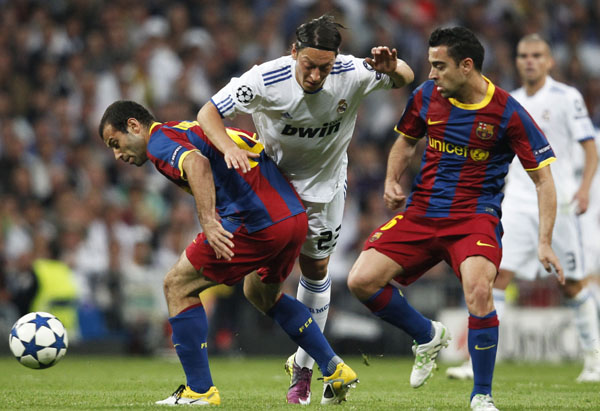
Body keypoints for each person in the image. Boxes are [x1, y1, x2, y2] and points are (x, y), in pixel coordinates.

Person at [196, 14, 414, 405]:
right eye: (309, 65)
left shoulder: (352, 72)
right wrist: (227, 147)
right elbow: (207, 113)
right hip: (273, 189)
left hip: (325, 192)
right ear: (293, 52)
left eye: (324, 68)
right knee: (259, 288)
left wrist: (392, 68)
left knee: (315, 271)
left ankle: (304, 371)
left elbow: (406, 77)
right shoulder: (265, 79)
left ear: (337, 60)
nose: (315, 75)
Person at [346, 27, 564, 411]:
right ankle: (427, 335)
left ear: (467, 66)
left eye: (438, 66)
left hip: (473, 218)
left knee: (480, 292)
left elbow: (543, 180)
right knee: (361, 280)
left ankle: (481, 395)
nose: (431, 74)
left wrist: (545, 240)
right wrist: (391, 181)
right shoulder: (427, 96)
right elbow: (405, 141)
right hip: (422, 211)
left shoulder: (507, 112)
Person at [98, 100, 358, 406]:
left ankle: (199, 390)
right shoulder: (188, 130)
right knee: (261, 294)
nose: (117, 155)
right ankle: (333, 367)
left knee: (177, 285)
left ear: (134, 125)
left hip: (255, 220)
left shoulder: (159, 140)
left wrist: (208, 221)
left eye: (116, 143)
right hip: (293, 219)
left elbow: (197, 164)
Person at [446, 34, 600, 383]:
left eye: (536, 55)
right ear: (516, 61)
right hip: (516, 200)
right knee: (496, 277)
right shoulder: (509, 100)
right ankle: (478, 362)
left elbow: (590, 149)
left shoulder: (566, 97)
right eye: (523, 55)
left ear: (549, 61)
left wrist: (585, 188)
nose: (529, 61)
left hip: (556, 200)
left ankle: (595, 360)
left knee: (572, 283)